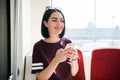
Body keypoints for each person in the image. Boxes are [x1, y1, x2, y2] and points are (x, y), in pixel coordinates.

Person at [31, 6, 79, 80]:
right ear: (45, 23)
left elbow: (74, 73)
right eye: (54, 20)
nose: (59, 24)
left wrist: (74, 59)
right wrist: (56, 60)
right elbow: (40, 78)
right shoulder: (38, 46)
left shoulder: (67, 43)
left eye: (62, 21)